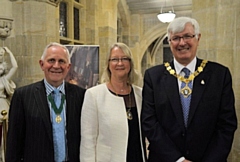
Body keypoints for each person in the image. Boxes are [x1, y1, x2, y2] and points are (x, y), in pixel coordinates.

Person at [141, 17, 237, 162]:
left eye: (187, 36)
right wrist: (178, 160)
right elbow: (149, 122)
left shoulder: (219, 75)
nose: (182, 43)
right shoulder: (153, 77)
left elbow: (226, 125)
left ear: (198, 38)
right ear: (169, 42)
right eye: (176, 38)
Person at [6, 42, 86, 162]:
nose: (56, 66)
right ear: (42, 64)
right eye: (51, 60)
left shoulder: (81, 95)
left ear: (68, 67)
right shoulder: (23, 96)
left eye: (62, 61)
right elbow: (14, 143)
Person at [80, 42, 147, 162]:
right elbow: (88, 141)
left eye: (124, 59)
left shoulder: (140, 94)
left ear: (130, 64)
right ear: (108, 64)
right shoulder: (94, 95)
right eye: (115, 59)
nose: (120, 63)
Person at [0, 47, 17, 119]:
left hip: (2, 104)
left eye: (1, 69)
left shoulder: (4, 79)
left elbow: (15, 67)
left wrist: (10, 53)